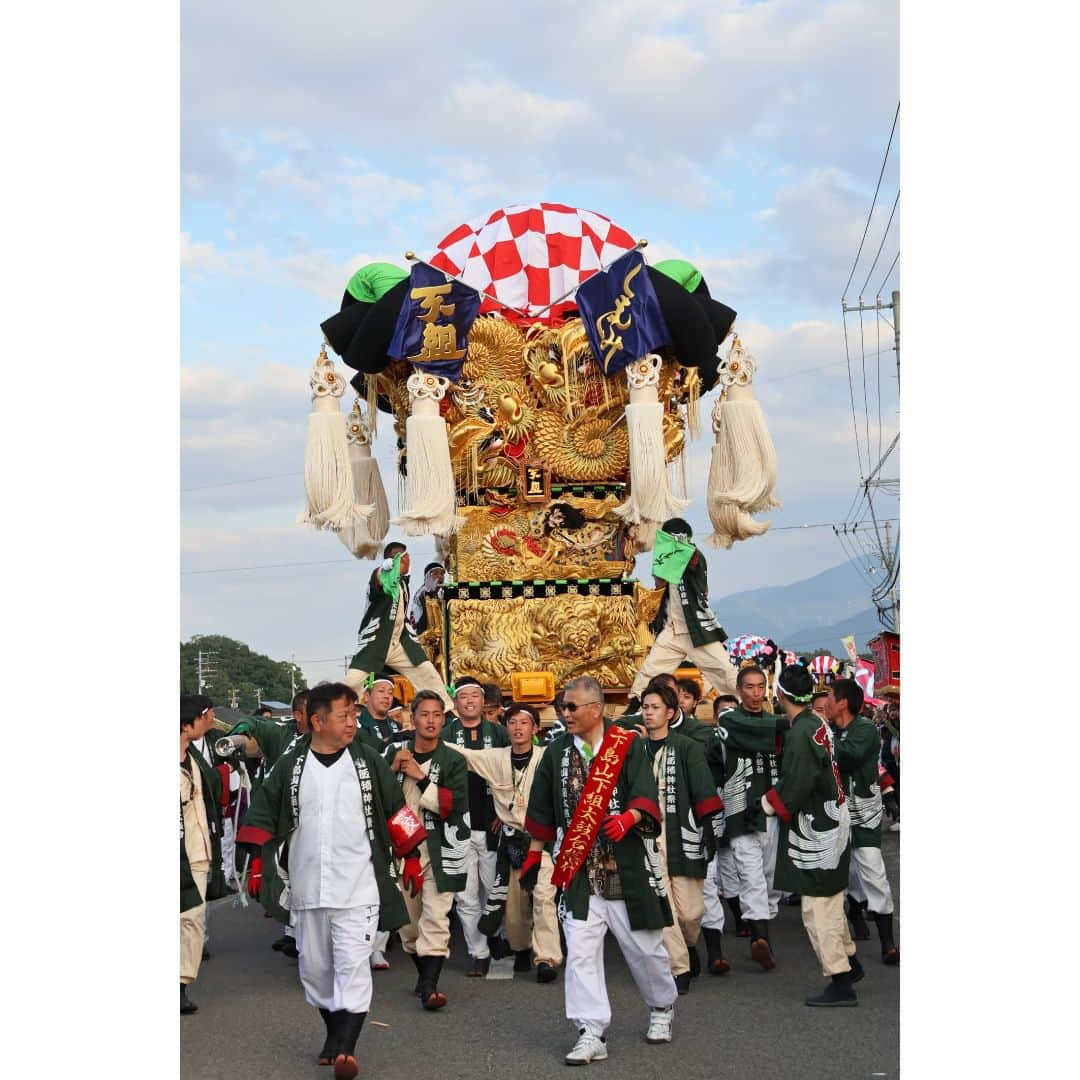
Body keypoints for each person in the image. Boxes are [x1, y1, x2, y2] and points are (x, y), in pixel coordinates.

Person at [236, 683, 427, 1079]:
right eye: (344, 716)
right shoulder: (291, 766)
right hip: (308, 887)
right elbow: (262, 814)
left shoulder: (368, 762)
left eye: (355, 715)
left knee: (353, 966)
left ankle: (346, 1048)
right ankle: (333, 1034)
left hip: (359, 886)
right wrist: (257, 865)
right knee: (316, 973)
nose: (352, 723)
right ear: (317, 721)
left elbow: (397, 808)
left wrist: (410, 857)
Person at [525, 676, 677, 1066]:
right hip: (579, 868)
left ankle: (661, 1007)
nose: (565, 713)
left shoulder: (625, 745)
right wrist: (534, 852)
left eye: (572, 707)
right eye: (563, 707)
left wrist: (630, 816)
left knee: (644, 949)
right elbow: (541, 806)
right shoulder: (556, 751)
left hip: (624, 865)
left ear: (596, 709)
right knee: (580, 952)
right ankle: (590, 1031)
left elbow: (645, 789)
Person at [761, 665, 863, 1007]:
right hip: (832, 817)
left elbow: (797, 783)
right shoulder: (816, 722)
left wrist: (769, 804)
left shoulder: (802, 732)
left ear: (780, 695)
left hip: (818, 825)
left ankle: (840, 981)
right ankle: (850, 963)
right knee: (830, 898)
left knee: (817, 908)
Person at [442, 703, 562, 981]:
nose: (518, 728)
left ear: (535, 729)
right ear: (505, 728)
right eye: (512, 723)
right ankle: (521, 948)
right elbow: (465, 755)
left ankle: (547, 959)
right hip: (511, 844)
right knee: (516, 907)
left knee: (544, 898)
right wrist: (430, 738)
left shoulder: (548, 757)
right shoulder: (496, 757)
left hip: (540, 840)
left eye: (524, 723)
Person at [385, 691, 470, 1010]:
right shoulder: (395, 756)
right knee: (408, 924)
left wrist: (419, 777)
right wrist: (393, 771)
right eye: (425, 714)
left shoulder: (452, 760)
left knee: (437, 916)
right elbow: (382, 801)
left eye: (437, 715)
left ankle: (429, 986)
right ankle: (424, 977)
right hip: (404, 848)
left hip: (442, 846)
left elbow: (454, 805)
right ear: (413, 718)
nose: (431, 720)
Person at [638, 683, 725, 994]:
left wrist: (708, 832)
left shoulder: (687, 747)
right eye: (645, 707)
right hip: (647, 835)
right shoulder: (635, 749)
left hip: (682, 830)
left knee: (690, 912)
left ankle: (689, 946)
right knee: (664, 907)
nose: (648, 713)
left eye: (655, 707)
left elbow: (704, 788)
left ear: (671, 713)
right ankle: (679, 968)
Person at [216, 690, 312, 957]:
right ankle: (293, 932)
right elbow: (256, 725)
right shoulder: (284, 734)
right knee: (284, 875)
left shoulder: (333, 737)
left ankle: (304, 936)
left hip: (316, 820)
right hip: (283, 818)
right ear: (297, 715)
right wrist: (243, 728)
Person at [707, 665, 785, 969]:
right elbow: (745, 734)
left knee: (770, 877)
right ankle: (759, 940)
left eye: (760, 687)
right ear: (739, 690)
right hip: (740, 809)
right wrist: (786, 725)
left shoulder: (774, 722)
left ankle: (760, 929)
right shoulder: (730, 720)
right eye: (749, 687)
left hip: (773, 808)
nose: (755, 693)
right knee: (751, 876)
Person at [826, 679, 900, 965]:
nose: (826, 704)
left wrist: (818, 740)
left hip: (865, 815)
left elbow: (851, 757)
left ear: (843, 703)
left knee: (872, 871)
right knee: (843, 876)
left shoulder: (866, 730)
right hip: (832, 814)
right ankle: (852, 919)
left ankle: (888, 944)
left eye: (830, 697)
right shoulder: (829, 731)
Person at [441, 676, 510, 976]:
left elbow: (513, 773)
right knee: (466, 895)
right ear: (455, 703)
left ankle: (495, 936)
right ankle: (478, 952)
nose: (469, 701)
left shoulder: (499, 733)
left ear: (484, 702)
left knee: (494, 889)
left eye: (474, 696)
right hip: (457, 825)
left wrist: (506, 810)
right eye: (463, 697)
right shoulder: (444, 734)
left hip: (492, 823)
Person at [628, 518, 739, 702]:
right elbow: (659, 583)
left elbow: (692, 559)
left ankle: (747, 703)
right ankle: (636, 707)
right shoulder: (665, 558)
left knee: (725, 670)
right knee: (649, 673)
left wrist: (678, 544)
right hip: (671, 630)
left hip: (696, 629)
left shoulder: (694, 555)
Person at [345, 542, 455, 712]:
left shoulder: (403, 583)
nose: (409, 561)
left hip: (400, 642)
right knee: (353, 682)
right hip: (377, 641)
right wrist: (385, 569)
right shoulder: (383, 577)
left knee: (427, 672)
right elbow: (379, 580)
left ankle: (446, 712)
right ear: (398, 560)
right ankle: (337, 711)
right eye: (406, 558)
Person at [180, 695, 227, 1015]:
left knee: (191, 919)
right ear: (187, 722)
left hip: (197, 851)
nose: (210, 721)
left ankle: (179, 984)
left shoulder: (194, 757)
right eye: (206, 716)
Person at [356, 674, 402, 743]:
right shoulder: (356, 725)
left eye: (390, 693)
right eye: (381, 691)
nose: (387, 696)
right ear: (366, 696)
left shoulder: (397, 726)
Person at [408, 561, 445, 634]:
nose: (440, 576)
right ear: (427, 577)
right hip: (422, 634)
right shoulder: (424, 591)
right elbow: (427, 594)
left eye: (442, 574)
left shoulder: (439, 592)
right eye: (435, 574)